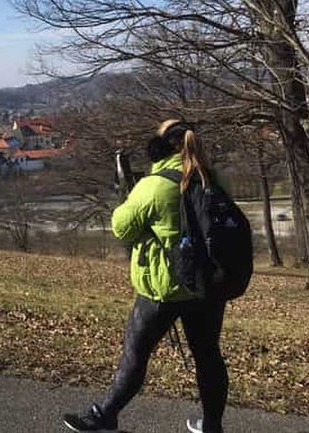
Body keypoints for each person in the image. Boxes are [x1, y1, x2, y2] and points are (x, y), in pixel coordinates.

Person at [63, 120, 228, 433]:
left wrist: (129, 198)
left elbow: (121, 227)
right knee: (208, 356)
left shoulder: (153, 186)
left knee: (135, 354)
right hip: (206, 286)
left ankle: (104, 415)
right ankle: (212, 425)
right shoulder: (212, 178)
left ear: (162, 146)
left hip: (163, 288)